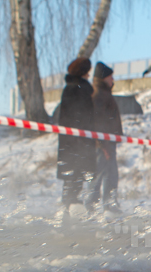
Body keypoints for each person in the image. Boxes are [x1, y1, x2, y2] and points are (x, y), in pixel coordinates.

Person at [57, 57, 95, 208]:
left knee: (71, 177)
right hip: (79, 142)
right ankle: (69, 212)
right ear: (84, 72)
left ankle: (68, 207)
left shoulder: (70, 87)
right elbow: (84, 116)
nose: (89, 75)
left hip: (70, 141)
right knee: (76, 176)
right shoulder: (81, 88)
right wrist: (85, 138)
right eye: (88, 71)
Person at [86, 62, 123, 214]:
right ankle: (91, 205)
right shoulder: (99, 95)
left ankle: (109, 205)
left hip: (107, 142)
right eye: (110, 77)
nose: (112, 80)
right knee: (99, 174)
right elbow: (96, 122)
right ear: (103, 78)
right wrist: (102, 145)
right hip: (102, 144)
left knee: (110, 174)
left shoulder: (104, 93)